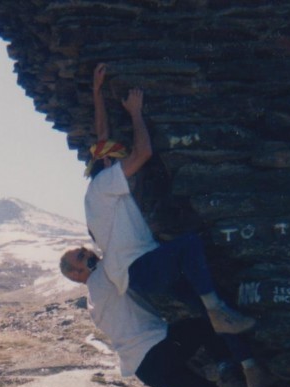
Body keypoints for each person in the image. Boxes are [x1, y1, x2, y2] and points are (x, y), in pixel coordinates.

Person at [83, 62, 254, 337]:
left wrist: (97, 91)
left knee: (210, 304)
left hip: (141, 271)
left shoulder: (99, 194)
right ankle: (218, 315)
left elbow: (101, 139)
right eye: (118, 158)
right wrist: (136, 114)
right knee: (190, 247)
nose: (124, 163)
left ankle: (243, 365)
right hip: (141, 267)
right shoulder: (104, 184)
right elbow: (144, 153)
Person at [59, 246, 254, 387]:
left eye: (86, 250)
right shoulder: (103, 276)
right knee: (204, 324)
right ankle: (228, 369)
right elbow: (117, 246)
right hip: (157, 349)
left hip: (147, 371)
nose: (89, 255)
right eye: (81, 256)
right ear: (75, 274)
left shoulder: (93, 302)